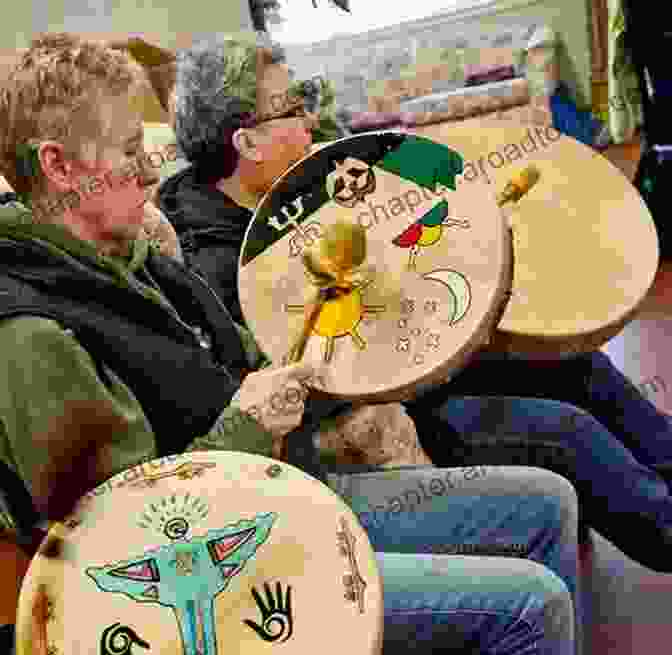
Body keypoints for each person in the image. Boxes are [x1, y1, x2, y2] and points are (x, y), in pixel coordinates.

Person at [0, 33, 654, 655]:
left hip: (287, 497)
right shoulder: (31, 333)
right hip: (232, 585)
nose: (145, 168)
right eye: (128, 150)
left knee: (546, 502)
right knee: (531, 602)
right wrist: (245, 423)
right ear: (60, 167)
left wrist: (300, 342)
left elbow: (230, 356)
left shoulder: (130, 253)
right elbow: (123, 552)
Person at [159, 34, 672, 574]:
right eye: (292, 107)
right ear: (249, 143)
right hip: (383, 405)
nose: (310, 120)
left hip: (424, 361)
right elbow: (307, 381)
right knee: (564, 429)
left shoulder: (302, 183)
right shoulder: (221, 264)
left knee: (578, 365)